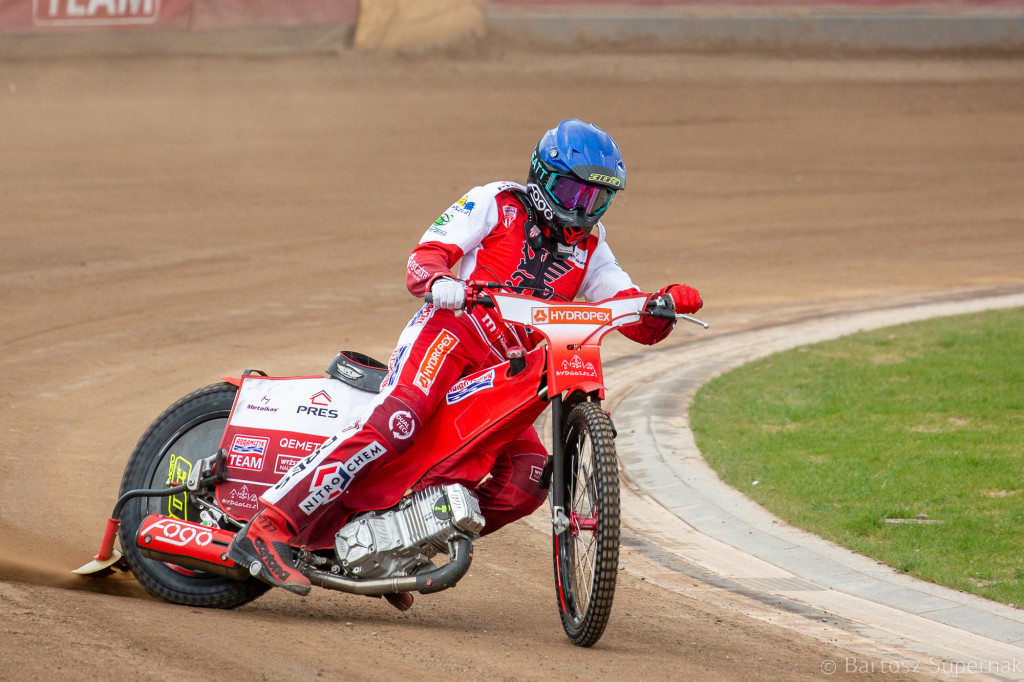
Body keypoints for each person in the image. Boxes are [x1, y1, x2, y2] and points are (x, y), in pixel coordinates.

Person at [227, 118, 703, 597]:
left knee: (528, 479)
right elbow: (423, 257)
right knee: (400, 421)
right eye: (575, 194)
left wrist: (660, 304)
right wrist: (441, 282)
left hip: (504, 372)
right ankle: (269, 526)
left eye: (597, 199)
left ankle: (398, 545)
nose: (585, 210)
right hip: (450, 335)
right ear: (543, 178)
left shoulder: (593, 248)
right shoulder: (496, 201)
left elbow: (631, 314)